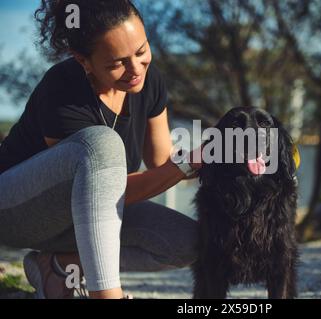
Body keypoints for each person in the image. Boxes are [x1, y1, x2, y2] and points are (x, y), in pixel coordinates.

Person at [0, 0, 201, 299]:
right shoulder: (62, 87)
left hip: (79, 222)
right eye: (116, 63)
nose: (135, 69)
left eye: (141, 51)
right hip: (16, 211)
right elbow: (98, 191)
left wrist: (211, 156)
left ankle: (57, 267)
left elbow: (162, 162)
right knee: (102, 143)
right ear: (84, 61)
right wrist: (182, 167)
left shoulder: (149, 81)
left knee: (193, 242)